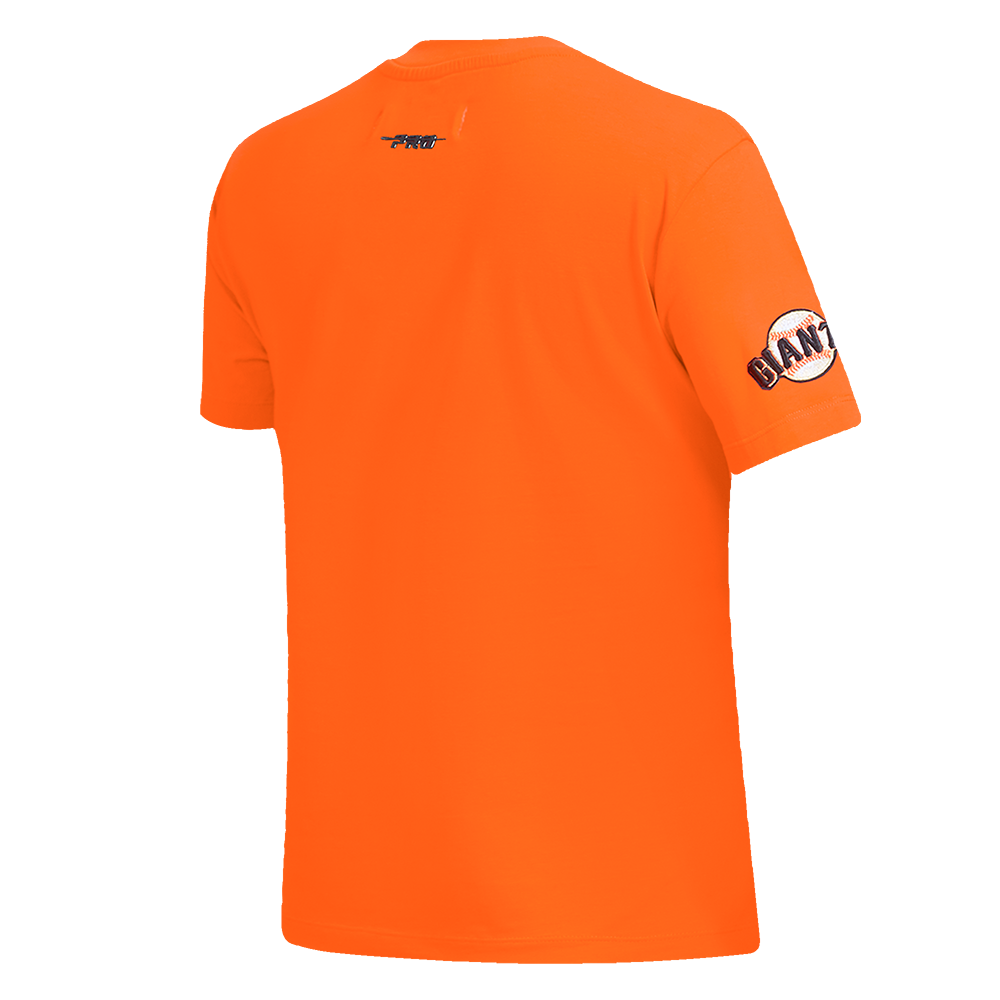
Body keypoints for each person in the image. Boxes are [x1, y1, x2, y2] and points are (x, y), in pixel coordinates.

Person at [202, 35, 861, 963]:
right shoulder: (685, 159)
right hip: (634, 893)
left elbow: (232, 419)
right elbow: (816, 457)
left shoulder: (263, 172)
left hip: (351, 883)